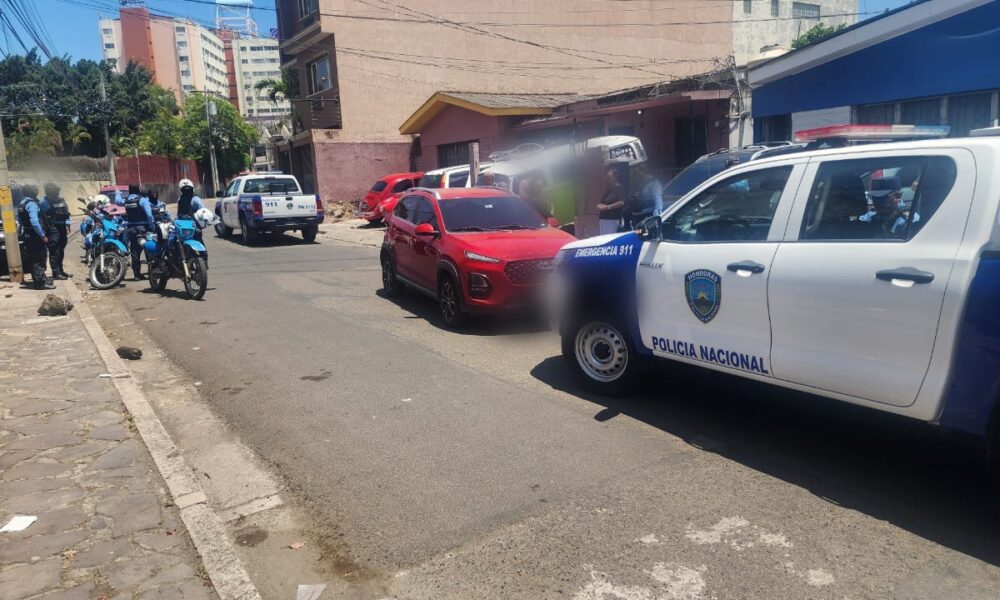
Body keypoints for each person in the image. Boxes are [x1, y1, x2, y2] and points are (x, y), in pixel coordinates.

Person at [17, 182, 54, 290]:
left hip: (28, 233)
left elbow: (20, 220)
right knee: (39, 258)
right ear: (32, 191)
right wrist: (42, 235)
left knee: (33, 258)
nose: (37, 191)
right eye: (35, 189)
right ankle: (40, 283)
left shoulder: (22, 203)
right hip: (35, 235)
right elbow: (35, 222)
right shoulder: (32, 204)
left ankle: (40, 278)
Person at [40, 182, 72, 280]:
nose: (56, 193)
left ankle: (61, 270)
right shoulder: (43, 202)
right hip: (52, 228)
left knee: (61, 250)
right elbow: (42, 217)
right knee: (54, 251)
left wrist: (68, 224)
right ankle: (56, 273)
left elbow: (66, 213)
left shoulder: (61, 199)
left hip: (62, 227)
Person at [123, 184, 154, 281]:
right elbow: (149, 215)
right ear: (138, 190)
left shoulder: (127, 201)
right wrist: (152, 226)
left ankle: (136, 275)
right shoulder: (142, 200)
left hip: (131, 229)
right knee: (149, 250)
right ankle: (152, 273)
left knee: (135, 252)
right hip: (143, 228)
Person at [596, 168, 625, 235]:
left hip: (612, 219)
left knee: (609, 237)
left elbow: (621, 202)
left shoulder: (619, 189)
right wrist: (601, 205)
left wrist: (607, 207)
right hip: (604, 218)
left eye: (609, 177)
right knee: (604, 238)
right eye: (607, 178)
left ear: (615, 177)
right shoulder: (609, 190)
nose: (607, 180)